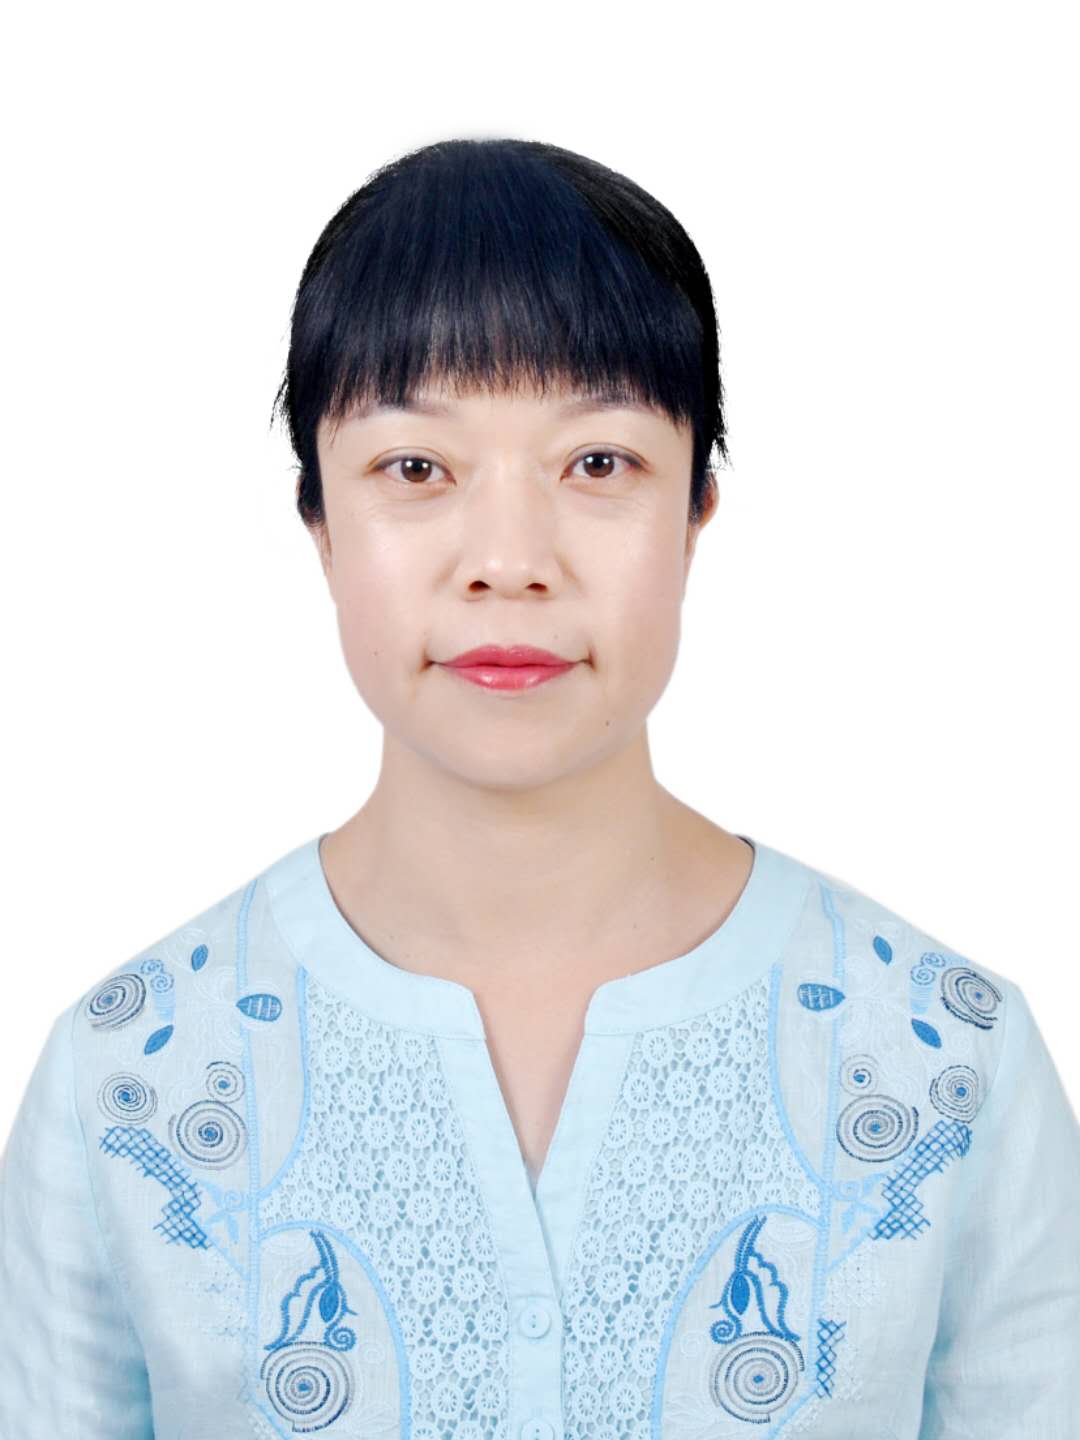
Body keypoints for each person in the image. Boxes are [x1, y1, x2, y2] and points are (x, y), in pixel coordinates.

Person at [1, 137, 1077, 1440]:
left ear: (697, 511)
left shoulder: (947, 1065)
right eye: (415, 468)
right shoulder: (130, 1084)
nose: (509, 560)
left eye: (598, 463)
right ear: (318, 523)